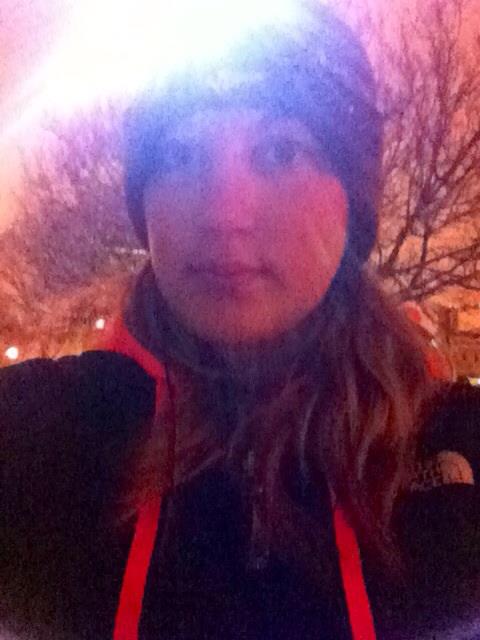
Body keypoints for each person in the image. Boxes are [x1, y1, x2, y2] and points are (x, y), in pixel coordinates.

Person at [1, 3, 480, 639]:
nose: (224, 212)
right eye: (180, 155)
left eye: (281, 151)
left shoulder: (455, 453)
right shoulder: (41, 439)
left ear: (353, 203)